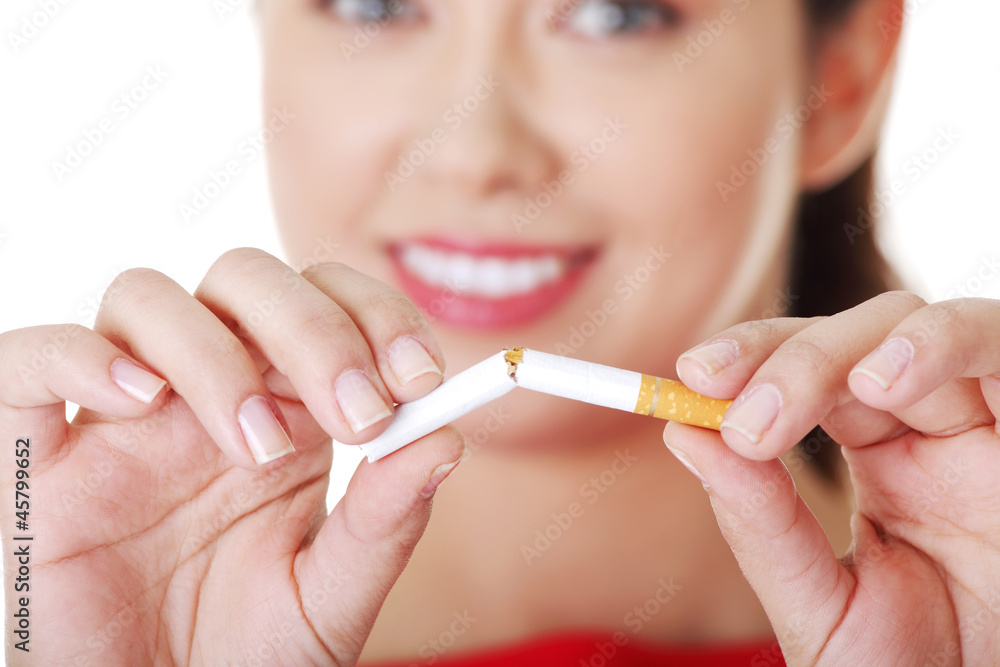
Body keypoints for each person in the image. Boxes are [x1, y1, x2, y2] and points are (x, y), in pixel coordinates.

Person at [3, 0, 998, 664]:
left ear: (843, 78)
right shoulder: (139, 621)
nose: (475, 150)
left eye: (613, 13)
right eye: (374, 3)